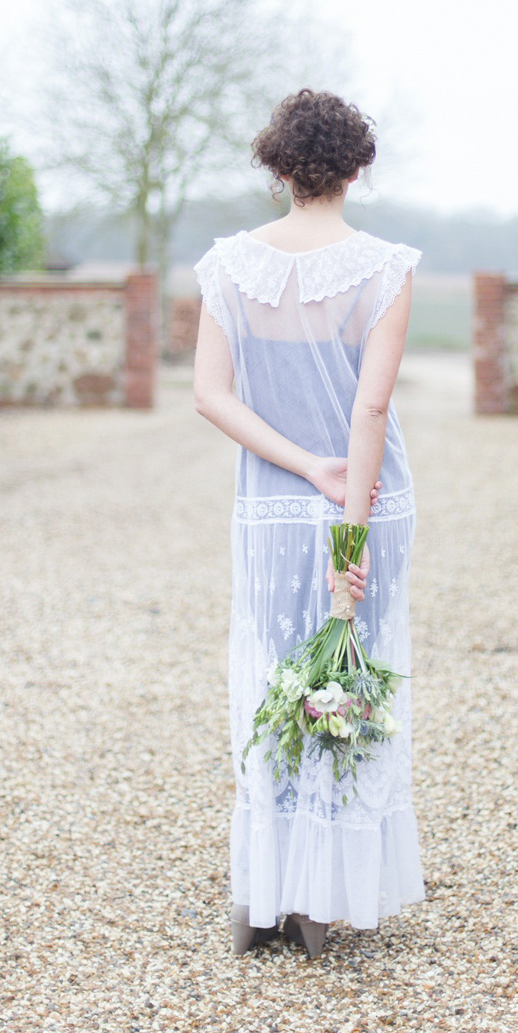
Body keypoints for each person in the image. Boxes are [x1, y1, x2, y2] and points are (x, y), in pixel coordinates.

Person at [193, 89, 425, 959]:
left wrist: (297, 468)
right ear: (357, 169)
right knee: (351, 680)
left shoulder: (226, 268)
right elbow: (369, 414)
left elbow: (210, 396)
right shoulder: (385, 268)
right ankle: (320, 903)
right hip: (366, 502)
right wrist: (351, 538)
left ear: (278, 167)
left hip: (272, 507)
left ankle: (262, 895)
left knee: (269, 676)